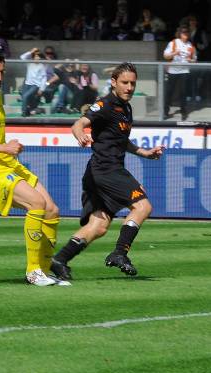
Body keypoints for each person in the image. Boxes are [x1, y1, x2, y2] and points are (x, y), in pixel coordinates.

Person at [50, 62, 165, 281]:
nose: (129, 87)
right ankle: (120, 253)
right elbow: (78, 123)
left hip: (103, 171)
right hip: (105, 169)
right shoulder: (105, 105)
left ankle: (59, 260)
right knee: (143, 206)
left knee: (99, 226)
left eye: (132, 83)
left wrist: (146, 153)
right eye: (125, 82)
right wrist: (80, 135)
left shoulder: (126, 107)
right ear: (113, 82)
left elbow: (122, 141)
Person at [0, 51, 66, 286]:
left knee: (52, 210)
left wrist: (8, 151)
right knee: (36, 204)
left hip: (8, 164)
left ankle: (45, 270)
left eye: (2, 72)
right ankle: (33, 272)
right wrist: (5, 148)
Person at [163, 26, 197, 121]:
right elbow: (165, 55)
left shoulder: (191, 45)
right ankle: (165, 112)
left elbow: (195, 59)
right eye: (183, 33)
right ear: (180, 34)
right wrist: (174, 53)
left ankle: (183, 111)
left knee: (183, 92)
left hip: (185, 71)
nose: (185, 35)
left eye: (187, 33)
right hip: (172, 71)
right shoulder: (173, 42)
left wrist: (191, 60)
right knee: (169, 91)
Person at [19, 48, 48, 117]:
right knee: (25, 97)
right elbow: (22, 57)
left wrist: (42, 88)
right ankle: (30, 110)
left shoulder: (41, 66)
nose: (37, 58)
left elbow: (44, 78)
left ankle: (24, 112)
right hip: (27, 84)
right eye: (35, 56)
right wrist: (31, 51)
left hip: (35, 85)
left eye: (38, 56)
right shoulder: (29, 63)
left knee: (26, 96)